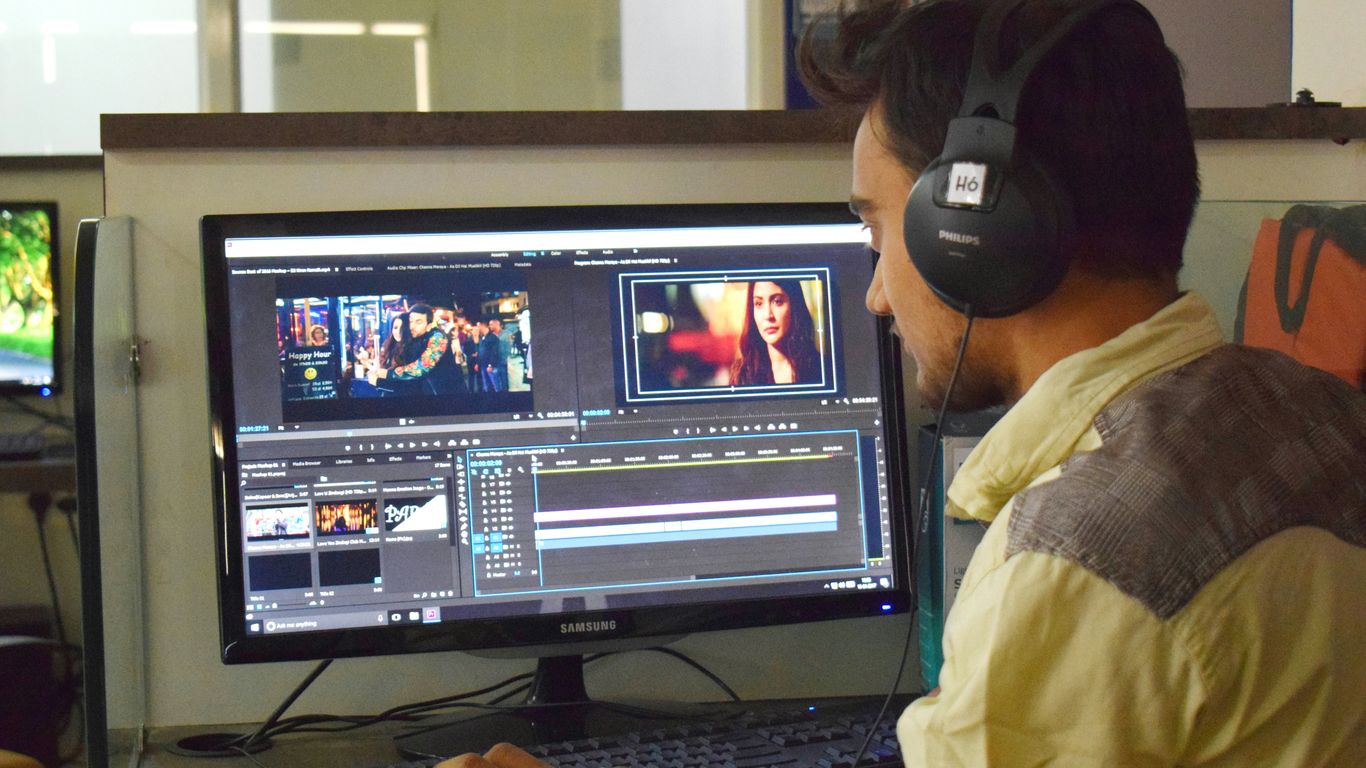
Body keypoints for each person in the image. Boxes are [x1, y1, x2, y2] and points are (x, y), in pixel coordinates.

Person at [439, 1, 1366, 767]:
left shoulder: (1079, 570)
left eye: (880, 234)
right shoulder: (1318, 416)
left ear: (976, 228)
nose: (877, 295)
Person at [729, 279, 822, 386]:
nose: (768, 315)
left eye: (777, 301)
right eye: (759, 304)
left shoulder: (821, 368)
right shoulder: (742, 375)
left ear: (794, 305)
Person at [365, 304, 466, 395]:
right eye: (411, 321)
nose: (412, 326)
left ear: (428, 326)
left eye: (418, 322)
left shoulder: (437, 337)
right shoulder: (415, 341)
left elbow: (421, 367)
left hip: (449, 396)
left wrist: (387, 374)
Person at [478, 318, 506, 393]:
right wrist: (478, 363)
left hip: (491, 366)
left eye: (479, 326)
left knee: (496, 386)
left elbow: (494, 353)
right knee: (487, 386)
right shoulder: (483, 338)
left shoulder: (493, 338)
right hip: (483, 366)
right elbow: (481, 352)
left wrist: (490, 365)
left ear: (484, 326)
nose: (478, 328)